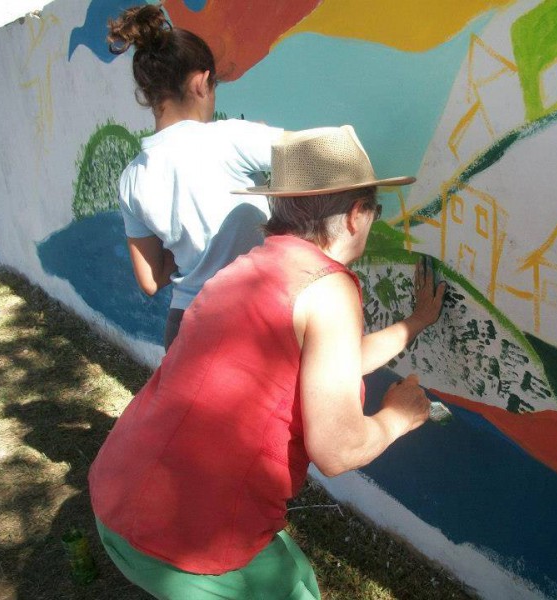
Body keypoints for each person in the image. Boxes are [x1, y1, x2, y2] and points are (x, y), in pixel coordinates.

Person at [88, 125, 447, 599]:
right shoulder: (329, 288)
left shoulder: (249, 267)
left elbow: (333, 366)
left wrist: (415, 323)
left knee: (298, 577)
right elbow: (338, 450)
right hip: (182, 543)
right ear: (356, 215)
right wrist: (399, 416)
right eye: (375, 211)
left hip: (116, 495)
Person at [107, 4, 283, 349]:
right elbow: (326, 154)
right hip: (247, 320)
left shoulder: (131, 178)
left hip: (185, 328)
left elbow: (151, 280)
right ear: (201, 83)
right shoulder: (231, 138)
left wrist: (188, 240)